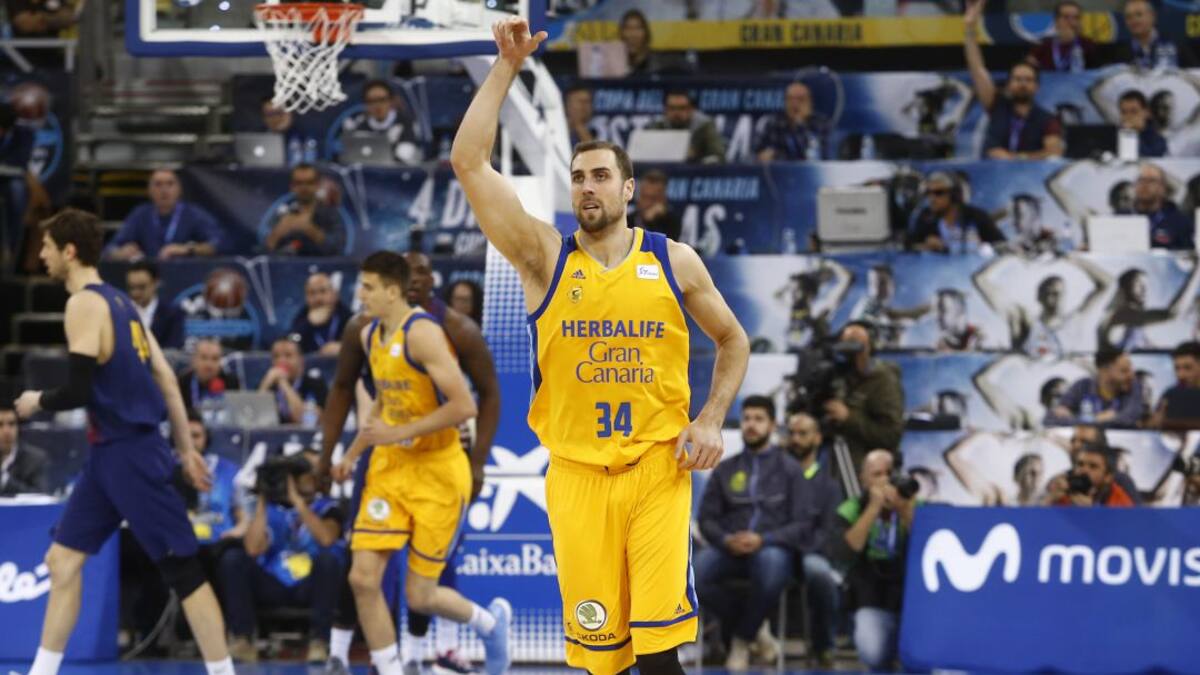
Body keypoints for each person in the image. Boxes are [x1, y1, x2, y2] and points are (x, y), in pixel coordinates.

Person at [451, 17, 750, 675]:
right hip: (577, 477)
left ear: (627, 187)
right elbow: (469, 163)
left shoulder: (673, 260)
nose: (587, 186)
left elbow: (733, 339)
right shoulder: (544, 258)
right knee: (602, 662)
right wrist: (505, 68)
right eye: (579, 176)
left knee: (659, 655)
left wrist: (710, 417)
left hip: (656, 470)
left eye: (601, 176)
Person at [12, 208, 234, 675]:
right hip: (108, 455)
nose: (42, 255)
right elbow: (166, 377)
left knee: (184, 572)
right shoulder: (123, 304)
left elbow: (77, 390)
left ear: (70, 251)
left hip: (131, 453)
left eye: (48, 247)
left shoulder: (83, 304)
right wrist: (186, 449)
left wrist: (35, 400)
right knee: (62, 561)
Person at [324, 253, 507, 675]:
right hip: (390, 470)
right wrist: (352, 454)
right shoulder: (370, 334)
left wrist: (399, 432)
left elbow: (464, 405)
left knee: (420, 596)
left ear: (392, 292)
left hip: (437, 472)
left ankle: (489, 625)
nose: (360, 294)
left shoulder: (424, 334)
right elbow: (386, 401)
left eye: (368, 287)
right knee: (362, 579)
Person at [695, 397, 803, 670]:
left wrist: (764, 539)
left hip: (771, 546)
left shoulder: (790, 469)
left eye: (759, 419)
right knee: (695, 574)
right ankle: (756, 629)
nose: (751, 425)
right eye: (746, 419)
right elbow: (706, 518)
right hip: (728, 547)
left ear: (773, 425)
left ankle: (741, 640)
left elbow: (801, 523)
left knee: (772, 565)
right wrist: (725, 539)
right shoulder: (726, 469)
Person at [219, 450, 345, 663]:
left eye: (315, 469)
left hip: (310, 585)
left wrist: (298, 501)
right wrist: (263, 499)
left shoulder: (329, 507)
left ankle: (319, 641)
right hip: (274, 582)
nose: (312, 474)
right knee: (234, 559)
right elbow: (253, 549)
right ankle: (243, 639)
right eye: (306, 469)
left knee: (328, 561)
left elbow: (326, 539)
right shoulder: (272, 510)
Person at [830, 450, 915, 672]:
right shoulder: (851, 508)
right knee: (873, 651)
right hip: (870, 595)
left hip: (912, 597)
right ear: (864, 480)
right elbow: (847, 551)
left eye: (890, 473)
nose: (885, 480)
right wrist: (873, 508)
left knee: (919, 656)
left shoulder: (914, 506)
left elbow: (929, 545)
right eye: (877, 474)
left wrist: (904, 510)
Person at [964, 0, 1064, 160]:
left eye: (1028, 80)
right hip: (992, 172)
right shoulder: (996, 105)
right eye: (1017, 79)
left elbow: (1053, 153)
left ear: (1037, 86)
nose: (1023, 83)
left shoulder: (1047, 119)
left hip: (1029, 174)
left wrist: (1015, 158)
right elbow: (977, 69)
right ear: (1009, 84)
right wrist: (970, 27)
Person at [783, 411, 841, 668]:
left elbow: (828, 530)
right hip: (777, 548)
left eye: (803, 433)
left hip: (811, 551)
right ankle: (748, 640)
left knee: (819, 571)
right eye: (792, 433)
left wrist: (802, 545)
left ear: (817, 438)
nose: (796, 439)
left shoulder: (829, 485)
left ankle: (824, 646)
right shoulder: (776, 476)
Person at [823, 323, 904, 483]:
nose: (851, 352)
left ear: (869, 347)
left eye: (856, 343)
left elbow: (891, 435)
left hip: (868, 476)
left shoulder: (883, 381)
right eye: (846, 343)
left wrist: (849, 418)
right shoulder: (839, 378)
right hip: (837, 469)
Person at [107, 169, 222, 261]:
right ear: (149, 190)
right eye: (158, 184)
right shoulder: (141, 214)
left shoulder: (193, 214)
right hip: (150, 276)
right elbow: (109, 250)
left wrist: (187, 249)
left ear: (179, 189)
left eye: (170, 184)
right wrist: (121, 253)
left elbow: (218, 244)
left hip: (184, 273)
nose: (164, 190)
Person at [1099, 265, 1200, 352]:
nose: (1144, 289)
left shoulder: (1135, 329)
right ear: (1124, 287)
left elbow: (1150, 349)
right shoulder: (1119, 316)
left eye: (1146, 285)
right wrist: (1197, 270)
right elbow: (1172, 314)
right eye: (1138, 283)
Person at [906, 171, 1005, 253]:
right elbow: (908, 246)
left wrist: (981, 247)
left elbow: (1002, 246)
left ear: (954, 195)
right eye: (929, 193)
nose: (932, 198)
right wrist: (924, 246)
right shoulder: (926, 218)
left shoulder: (977, 217)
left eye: (939, 193)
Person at [1045, 349, 1146, 428]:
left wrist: (1076, 419)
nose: (1132, 375)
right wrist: (1095, 419)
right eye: (1124, 371)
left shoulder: (1134, 386)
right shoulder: (1082, 386)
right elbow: (1051, 419)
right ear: (1104, 371)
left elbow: (1129, 420)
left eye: (1131, 370)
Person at [264, 163, 346, 256]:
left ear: (317, 185)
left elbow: (338, 248)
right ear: (292, 186)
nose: (304, 187)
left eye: (309, 182)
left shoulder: (330, 213)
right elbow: (264, 251)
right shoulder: (282, 212)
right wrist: (278, 232)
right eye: (299, 183)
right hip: (288, 263)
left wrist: (310, 229)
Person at [339, 80, 425, 165]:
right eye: (371, 101)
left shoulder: (406, 122)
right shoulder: (360, 124)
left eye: (382, 100)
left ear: (391, 101)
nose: (377, 105)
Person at [848, 264, 930, 349]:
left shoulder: (876, 304)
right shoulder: (870, 304)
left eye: (882, 283)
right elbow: (906, 317)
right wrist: (931, 307)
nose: (876, 288)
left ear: (892, 284)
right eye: (873, 283)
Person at [1118, 163, 1194, 250]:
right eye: (1141, 180)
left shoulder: (1180, 221)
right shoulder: (1120, 217)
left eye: (1151, 181)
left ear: (1163, 188)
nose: (1145, 184)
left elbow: (1188, 253)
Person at [257, 335, 327, 427]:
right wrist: (265, 385)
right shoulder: (268, 383)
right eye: (276, 356)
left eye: (288, 355)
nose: (281, 361)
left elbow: (302, 419)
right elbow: (254, 418)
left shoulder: (315, 384)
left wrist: (283, 383)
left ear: (301, 360)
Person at [755, 82, 831, 162]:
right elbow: (758, 153)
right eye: (790, 99)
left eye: (800, 99)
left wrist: (801, 124)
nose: (795, 104)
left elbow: (825, 155)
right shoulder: (773, 124)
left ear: (809, 102)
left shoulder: (821, 124)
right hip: (780, 169)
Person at [646, 90, 727, 164]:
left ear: (691, 109)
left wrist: (696, 159)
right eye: (671, 108)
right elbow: (645, 155)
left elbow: (719, 157)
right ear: (665, 109)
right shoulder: (656, 125)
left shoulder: (704, 125)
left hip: (694, 171)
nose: (676, 113)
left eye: (682, 108)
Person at [1114, 0, 1198, 69]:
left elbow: (1194, 72)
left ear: (1152, 16)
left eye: (1139, 15)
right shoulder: (1119, 51)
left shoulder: (1175, 43)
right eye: (1128, 17)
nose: (1134, 21)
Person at [1046, 443, 1135, 506]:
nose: (1084, 470)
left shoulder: (1119, 500)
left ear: (1108, 477)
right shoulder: (1064, 488)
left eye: (1093, 466)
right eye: (1080, 464)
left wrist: (1092, 512)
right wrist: (1050, 500)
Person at [1025, 1, 1103, 72]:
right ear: (1056, 20)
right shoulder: (1044, 44)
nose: (1072, 22)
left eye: (1076, 18)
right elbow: (1029, 67)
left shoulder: (1088, 44)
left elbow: (1097, 72)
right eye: (1066, 17)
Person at [290, 272, 354, 356]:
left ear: (335, 294)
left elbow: (361, 344)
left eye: (323, 291)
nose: (318, 298)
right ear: (306, 298)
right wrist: (308, 324)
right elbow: (291, 344)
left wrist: (344, 348)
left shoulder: (350, 319)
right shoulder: (300, 320)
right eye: (312, 293)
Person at [125, 260, 185, 349]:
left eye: (142, 287)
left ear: (156, 283)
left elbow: (174, 348)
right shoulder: (122, 312)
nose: (135, 293)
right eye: (131, 287)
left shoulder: (172, 313)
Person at [177, 338, 241, 413]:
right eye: (204, 358)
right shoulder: (182, 382)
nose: (209, 364)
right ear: (194, 360)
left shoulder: (232, 382)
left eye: (215, 359)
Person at [0, 401, 48, 495]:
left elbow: (40, 495)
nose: (6, 431)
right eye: (0, 425)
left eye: (11, 424)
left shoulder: (35, 459)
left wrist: (4, 480)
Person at [1148, 341, 1200, 428]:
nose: (1181, 375)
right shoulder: (1169, 395)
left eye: (1188, 368)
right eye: (1177, 368)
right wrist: (1154, 423)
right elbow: (1152, 424)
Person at [261, 96, 318, 166]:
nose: (275, 118)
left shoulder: (304, 136)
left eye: (279, 113)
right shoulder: (258, 136)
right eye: (269, 114)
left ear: (290, 112)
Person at [631, 169, 681, 241]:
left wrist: (649, 222)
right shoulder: (628, 220)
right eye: (645, 197)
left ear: (663, 199)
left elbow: (663, 245)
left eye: (652, 198)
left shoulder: (671, 222)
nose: (647, 203)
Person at [1117, 91, 1168, 158]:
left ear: (1146, 112)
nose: (1128, 116)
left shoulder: (1158, 140)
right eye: (1124, 112)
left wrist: (1130, 133)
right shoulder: (1115, 136)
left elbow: (1147, 157)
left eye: (1134, 111)